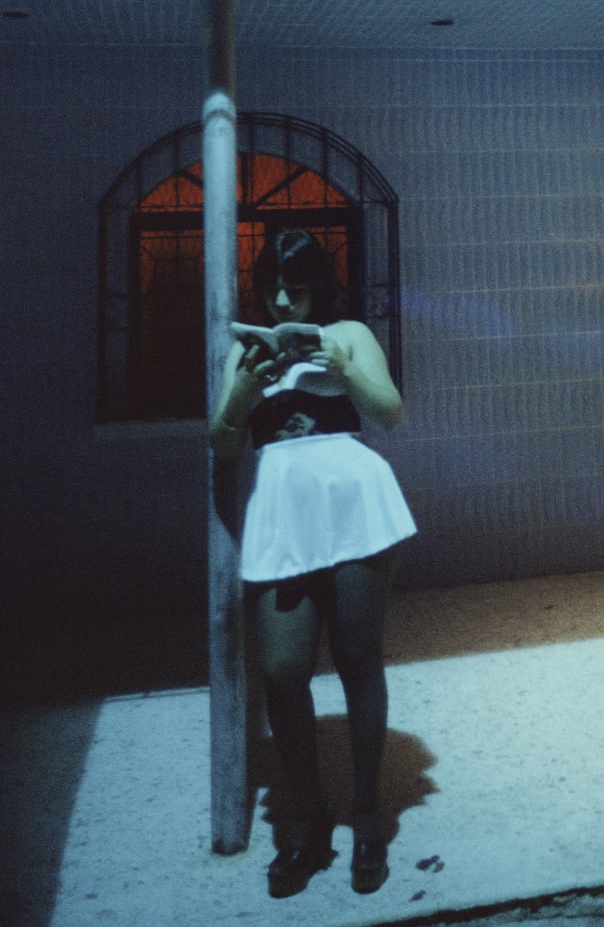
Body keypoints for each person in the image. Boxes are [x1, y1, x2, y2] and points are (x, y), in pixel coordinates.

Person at [210, 228, 416, 900]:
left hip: (353, 503)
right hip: (283, 511)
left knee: (359, 659)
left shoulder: (348, 331)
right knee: (281, 669)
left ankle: (364, 817)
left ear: (318, 287)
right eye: (270, 286)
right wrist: (246, 387)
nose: (280, 300)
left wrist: (338, 359)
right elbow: (221, 439)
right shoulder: (247, 347)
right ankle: (307, 815)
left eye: (295, 288)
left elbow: (386, 413)